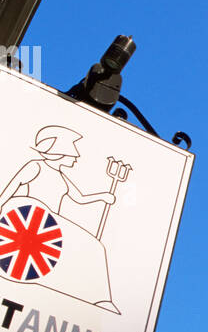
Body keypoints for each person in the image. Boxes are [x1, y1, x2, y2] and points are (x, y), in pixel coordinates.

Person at [0, 125, 120, 311]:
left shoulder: (62, 176)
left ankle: (100, 299)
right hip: (33, 218)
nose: (76, 157)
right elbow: (13, 185)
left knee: (96, 246)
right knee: (89, 247)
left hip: (53, 224)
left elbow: (79, 198)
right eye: (73, 154)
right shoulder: (35, 165)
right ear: (60, 153)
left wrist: (103, 196)